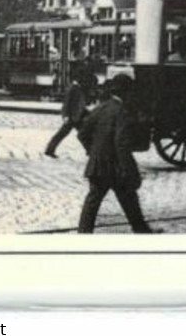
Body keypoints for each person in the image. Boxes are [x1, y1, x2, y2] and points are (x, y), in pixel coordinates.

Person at [76, 74, 157, 234]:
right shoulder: (123, 112)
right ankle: (141, 229)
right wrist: (129, 169)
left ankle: (84, 232)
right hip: (116, 166)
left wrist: (93, 151)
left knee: (97, 200)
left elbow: (82, 133)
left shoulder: (101, 108)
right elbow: (121, 144)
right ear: (126, 92)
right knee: (127, 197)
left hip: (99, 164)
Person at [45, 67, 96, 158]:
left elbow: (80, 104)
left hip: (77, 116)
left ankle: (90, 150)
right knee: (64, 134)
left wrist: (86, 112)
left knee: (82, 134)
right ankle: (49, 150)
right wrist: (65, 116)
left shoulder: (78, 87)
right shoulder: (72, 88)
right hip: (72, 117)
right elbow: (66, 104)